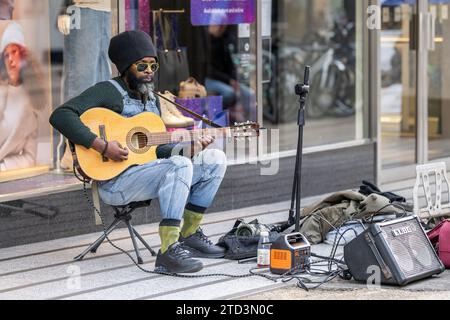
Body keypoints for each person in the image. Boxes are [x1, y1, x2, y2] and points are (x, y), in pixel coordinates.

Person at [49, 30, 227, 274]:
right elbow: (60, 115)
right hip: (115, 182)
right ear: (125, 67)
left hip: (146, 174)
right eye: (142, 65)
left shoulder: (151, 99)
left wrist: (192, 147)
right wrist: (101, 146)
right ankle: (168, 251)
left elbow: (158, 151)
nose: (149, 71)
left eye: (153, 65)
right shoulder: (108, 91)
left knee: (214, 159)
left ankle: (189, 234)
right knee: (179, 165)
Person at [0, 22, 47, 171]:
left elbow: (29, 158)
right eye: (6, 55)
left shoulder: (32, 104)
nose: (11, 60)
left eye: (14, 52)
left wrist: (3, 167)